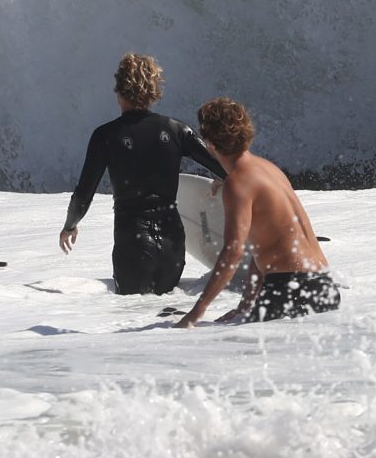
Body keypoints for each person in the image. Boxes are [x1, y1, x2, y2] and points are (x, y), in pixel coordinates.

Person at [58, 54, 225, 295]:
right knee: (161, 320)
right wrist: (223, 182)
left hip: (133, 244)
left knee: (132, 321)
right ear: (154, 92)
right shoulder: (177, 130)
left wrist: (70, 226)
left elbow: (84, 194)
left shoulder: (106, 135)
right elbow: (226, 166)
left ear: (119, 91)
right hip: (173, 245)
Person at [178, 96, 338, 326]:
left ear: (210, 144)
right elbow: (260, 247)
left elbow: (232, 252)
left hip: (290, 290)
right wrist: (246, 305)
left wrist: (196, 312)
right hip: (323, 286)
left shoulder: (237, 184)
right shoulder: (268, 169)